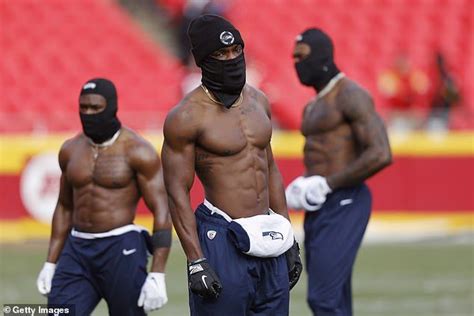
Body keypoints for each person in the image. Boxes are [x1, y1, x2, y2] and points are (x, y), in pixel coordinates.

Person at [161, 14, 302, 316]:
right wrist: (195, 259)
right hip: (222, 235)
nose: (232, 58)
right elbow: (176, 191)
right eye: (221, 54)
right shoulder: (187, 116)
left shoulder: (260, 102)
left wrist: (287, 234)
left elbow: (270, 169)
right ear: (203, 60)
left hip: (268, 232)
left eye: (236, 50)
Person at [36, 78, 172, 315]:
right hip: (77, 247)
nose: (89, 113)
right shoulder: (70, 150)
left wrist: (158, 273)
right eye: (84, 108)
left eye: (96, 108)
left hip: (121, 246)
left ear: (111, 107)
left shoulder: (138, 150)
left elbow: (162, 210)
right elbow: (64, 206)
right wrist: (50, 262)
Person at [286, 29, 392, 315]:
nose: (297, 62)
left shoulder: (351, 95)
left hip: (345, 200)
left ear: (322, 55)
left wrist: (328, 184)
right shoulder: (313, 105)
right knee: (335, 296)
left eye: (302, 56)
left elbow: (381, 153)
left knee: (323, 297)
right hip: (321, 205)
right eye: (293, 57)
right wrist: (305, 185)